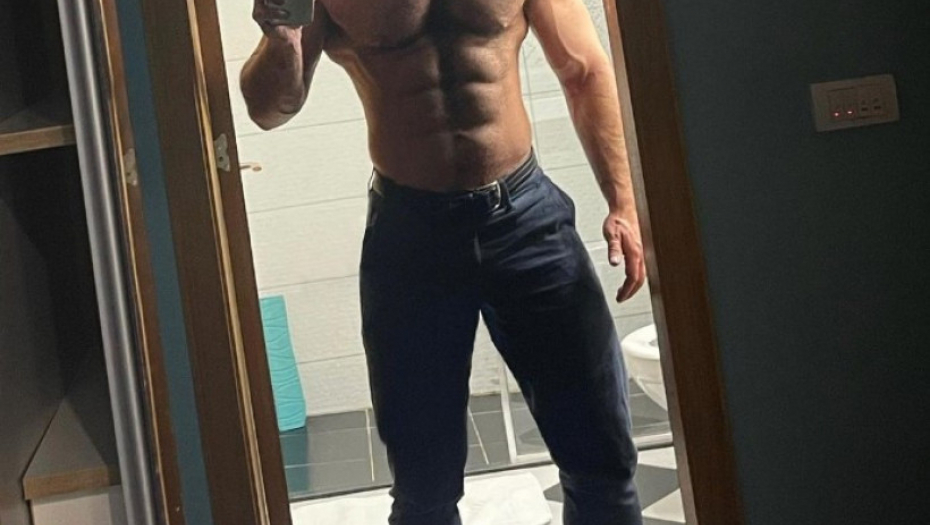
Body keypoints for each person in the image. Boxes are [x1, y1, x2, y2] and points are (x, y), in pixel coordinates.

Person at [242, 0, 646, 523]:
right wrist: (281, 38)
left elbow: (583, 70)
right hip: (411, 237)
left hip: (526, 218)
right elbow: (270, 110)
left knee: (602, 460)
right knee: (424, 490)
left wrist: (623, 203)